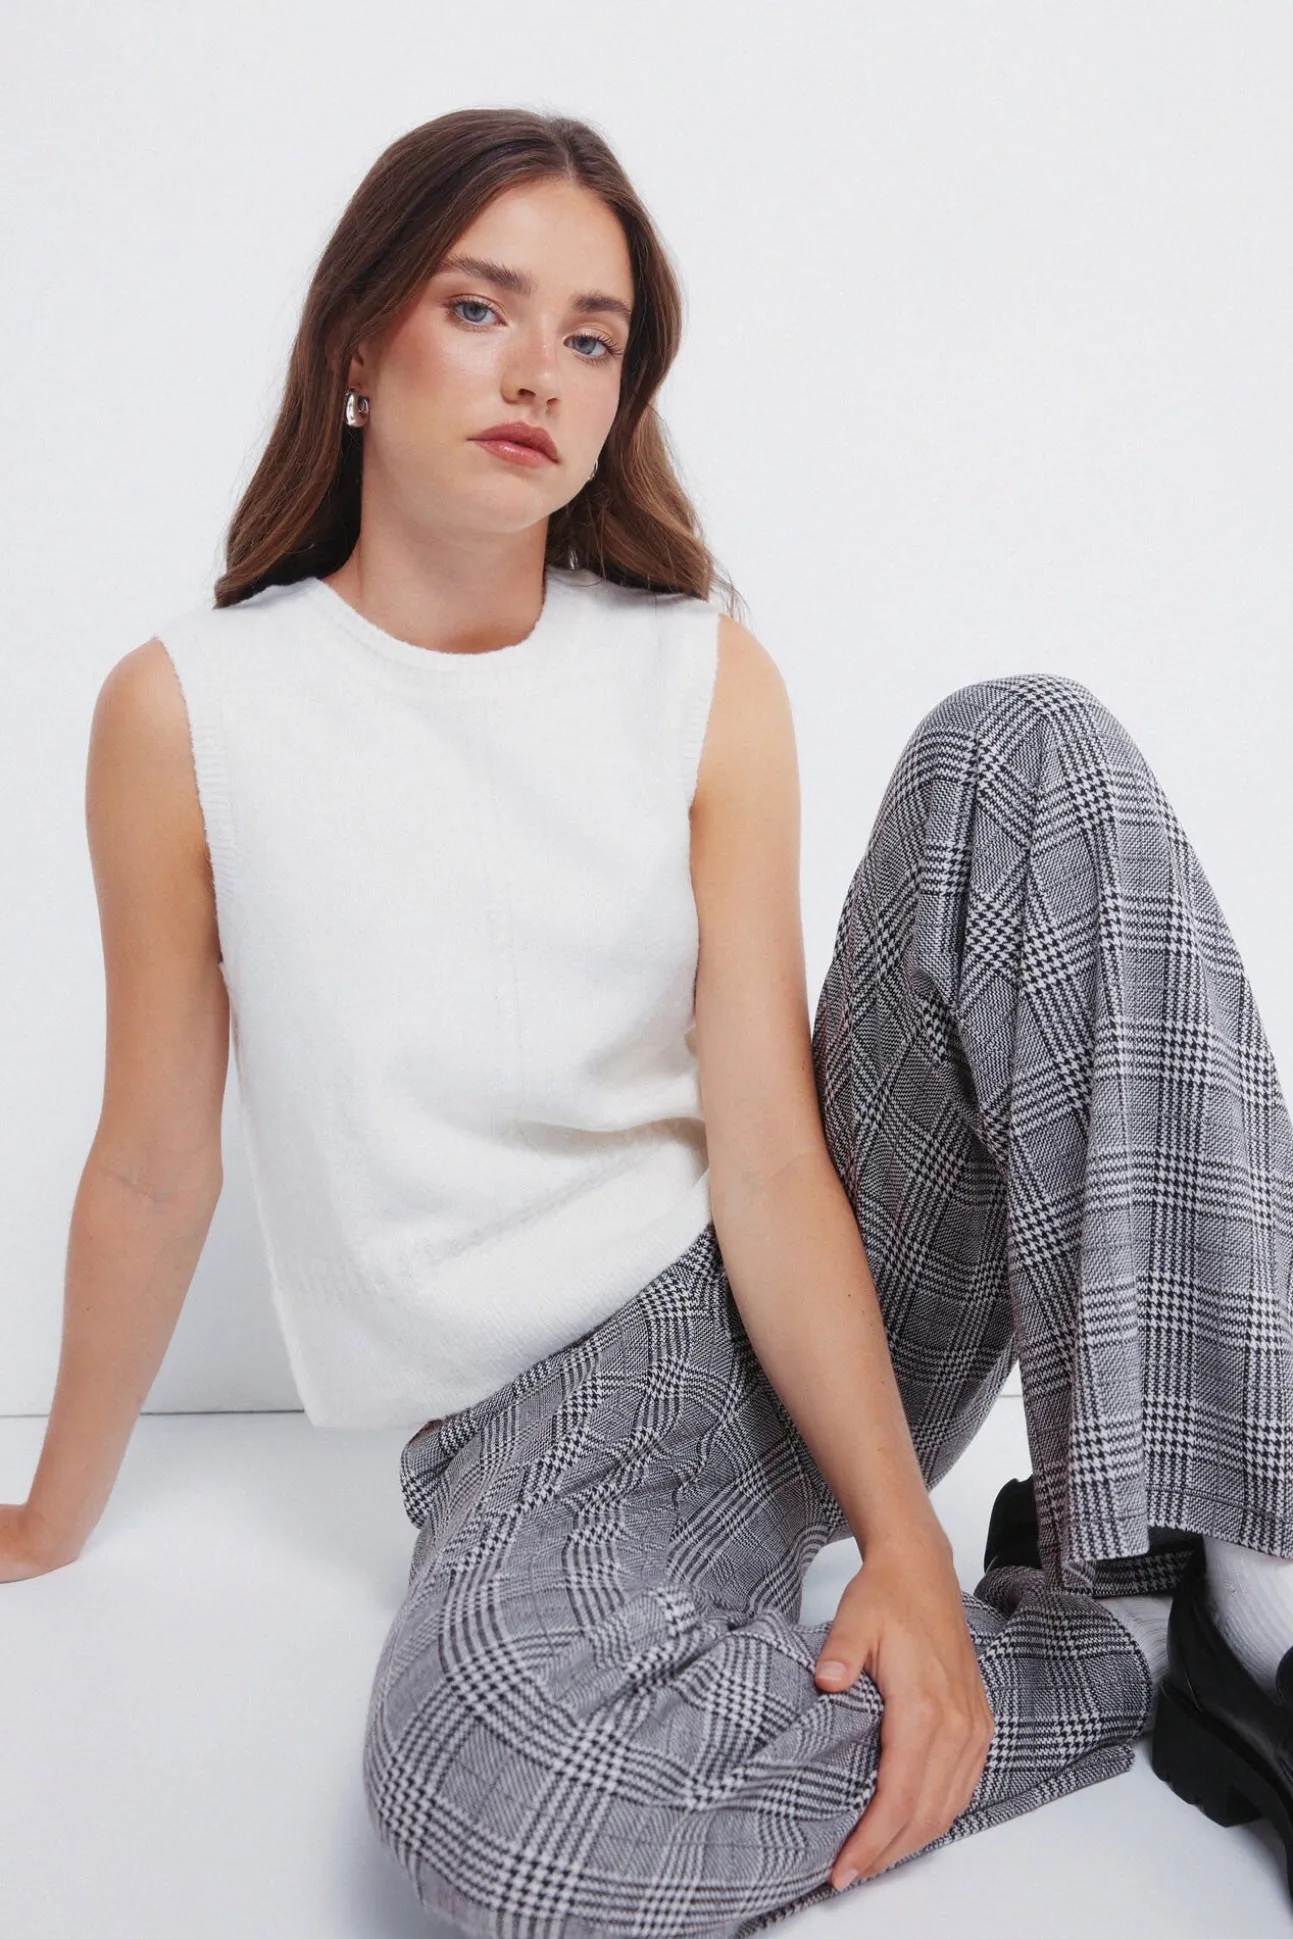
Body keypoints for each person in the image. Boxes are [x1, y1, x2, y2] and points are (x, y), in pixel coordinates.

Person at [3, 105, 1292, 1938]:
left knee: (1026, 747)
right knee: (502, 1809)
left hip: (796, 1297)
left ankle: (1260, 1595)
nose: (540, 370)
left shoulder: (697, 671)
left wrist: (900, 1538)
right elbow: (150, 1166)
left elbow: (768, 1152)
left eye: (592, 338)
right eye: (480, 308)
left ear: (620, 398)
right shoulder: (187, 712)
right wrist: (48, 1518)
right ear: (358, 341)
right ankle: (1118, 1651)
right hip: (538, 1444)